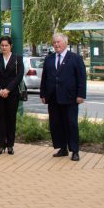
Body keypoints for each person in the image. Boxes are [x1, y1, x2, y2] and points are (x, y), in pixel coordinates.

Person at [40, 33, 86, 161]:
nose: (56, 44)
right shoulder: (49, 59)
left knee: (71, 123)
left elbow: (81, 78)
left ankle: (75, 150)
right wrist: (43, 94)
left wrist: (81, 94)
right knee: (56, 124)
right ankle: (62, 148)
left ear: (65, 43)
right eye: (54, 42)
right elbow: (45, 77)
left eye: (58, 42)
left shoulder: (75, 58)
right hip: (53, 97)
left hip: (70, 97)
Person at [0, 36, 24, 155]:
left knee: (11, 119)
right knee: (0, 119)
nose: (4, 47)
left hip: (12, 94)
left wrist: (8, 89)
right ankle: (1, 145)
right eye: (2, 45)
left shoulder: (17, 59)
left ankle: (10, 145)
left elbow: (19, 76)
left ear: (10, 46)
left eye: (6, 45)